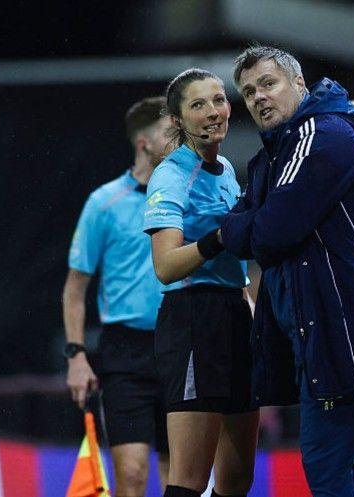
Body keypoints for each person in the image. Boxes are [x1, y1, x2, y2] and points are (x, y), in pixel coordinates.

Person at [220, 46, 354, 497]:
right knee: (341, 466)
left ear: (299, 85)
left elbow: (269, 233)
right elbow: (241, 231)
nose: (258, 98)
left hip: (342, 334)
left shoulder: (320, 134)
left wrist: (246, 225)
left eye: (268, 84)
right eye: (249, 92)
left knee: (326, 465)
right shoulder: (271, 159)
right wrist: (246, 226)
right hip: (324, 338)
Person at [144, 68, 258, 497]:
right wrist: (216, 240)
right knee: (190, 481)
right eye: (198, 105)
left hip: (234, 315)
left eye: (218, 100)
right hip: (193, 319)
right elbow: (166, 266)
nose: (213, 112)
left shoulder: (227, 168)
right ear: (177, 120)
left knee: (236, 479)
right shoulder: (171, 176)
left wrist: (246, 301)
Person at [63, 96, 172, 497]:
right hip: (125, 353)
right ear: (143, 142)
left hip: (180, 344)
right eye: (169, 131)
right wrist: (76, 355)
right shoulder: (103, 203)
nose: (180, 138)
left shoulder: (190, 195)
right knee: (132, 474)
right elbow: (75, 289)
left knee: (181, 479)